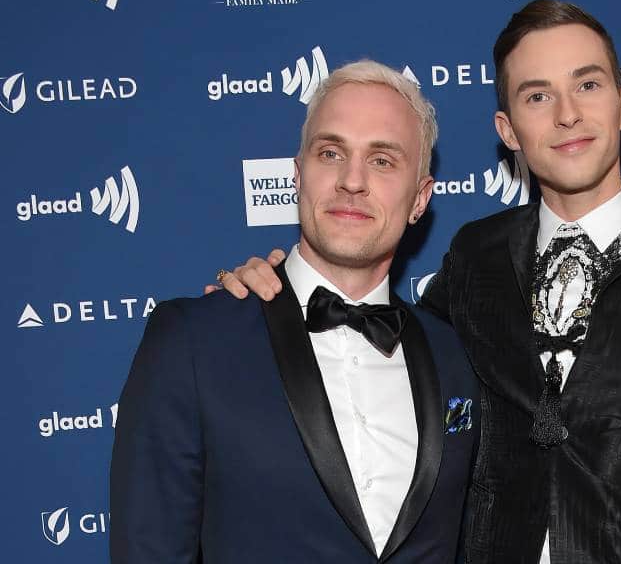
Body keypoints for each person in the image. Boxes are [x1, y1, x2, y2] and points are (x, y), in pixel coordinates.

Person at [220, 0, 621, 563]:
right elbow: (380, 343)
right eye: (537, 96)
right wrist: (280, 290)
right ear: (508, 130)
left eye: (586, 86)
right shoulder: (476, 255)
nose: (566, 115)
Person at [111, 60, 479, 563]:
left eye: (383, 160)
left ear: (420, 199)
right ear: (298, 174)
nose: (352, 180)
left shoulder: (454, 355)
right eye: (331, 152)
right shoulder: (194, 343)